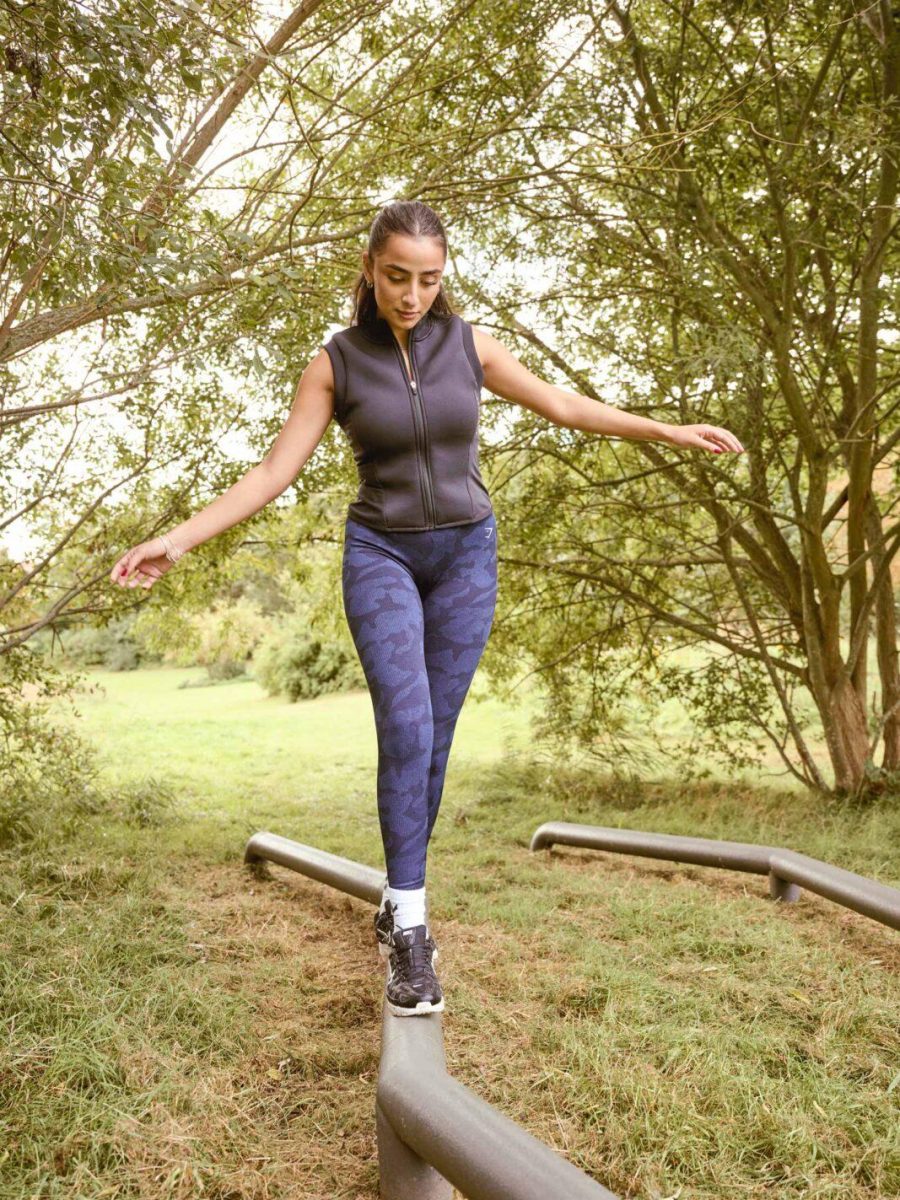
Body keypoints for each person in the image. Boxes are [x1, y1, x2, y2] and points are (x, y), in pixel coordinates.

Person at [110, 199, 744, 1017]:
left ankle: (398, 894)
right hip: (382, 553)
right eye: (397, 277)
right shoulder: (335, 363)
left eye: (429, 279)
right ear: (370, 269)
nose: (412, 295)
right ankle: (411, 926)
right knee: (406, 726)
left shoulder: (470, 345)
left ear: (444, 276)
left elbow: (568, 408)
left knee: (435, 737)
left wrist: (668, 430)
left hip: (467, 556)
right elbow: (272, 474)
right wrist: (179, 541)